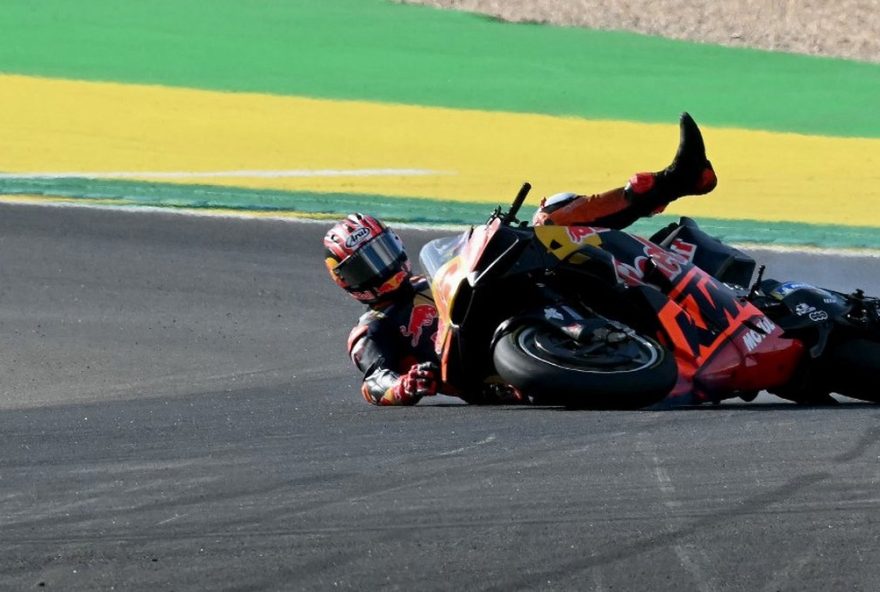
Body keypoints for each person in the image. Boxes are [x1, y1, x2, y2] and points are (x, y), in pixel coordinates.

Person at [323, 112, 716, 406]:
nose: (381, 267)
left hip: (518, 299)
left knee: (552, 216)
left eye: (381, 252)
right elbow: (375, 381)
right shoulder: (372, 330)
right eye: (365, 264)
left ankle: (674, 182)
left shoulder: (432, 277)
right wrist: (400, 387)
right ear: (346, 279)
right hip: (478, 367)